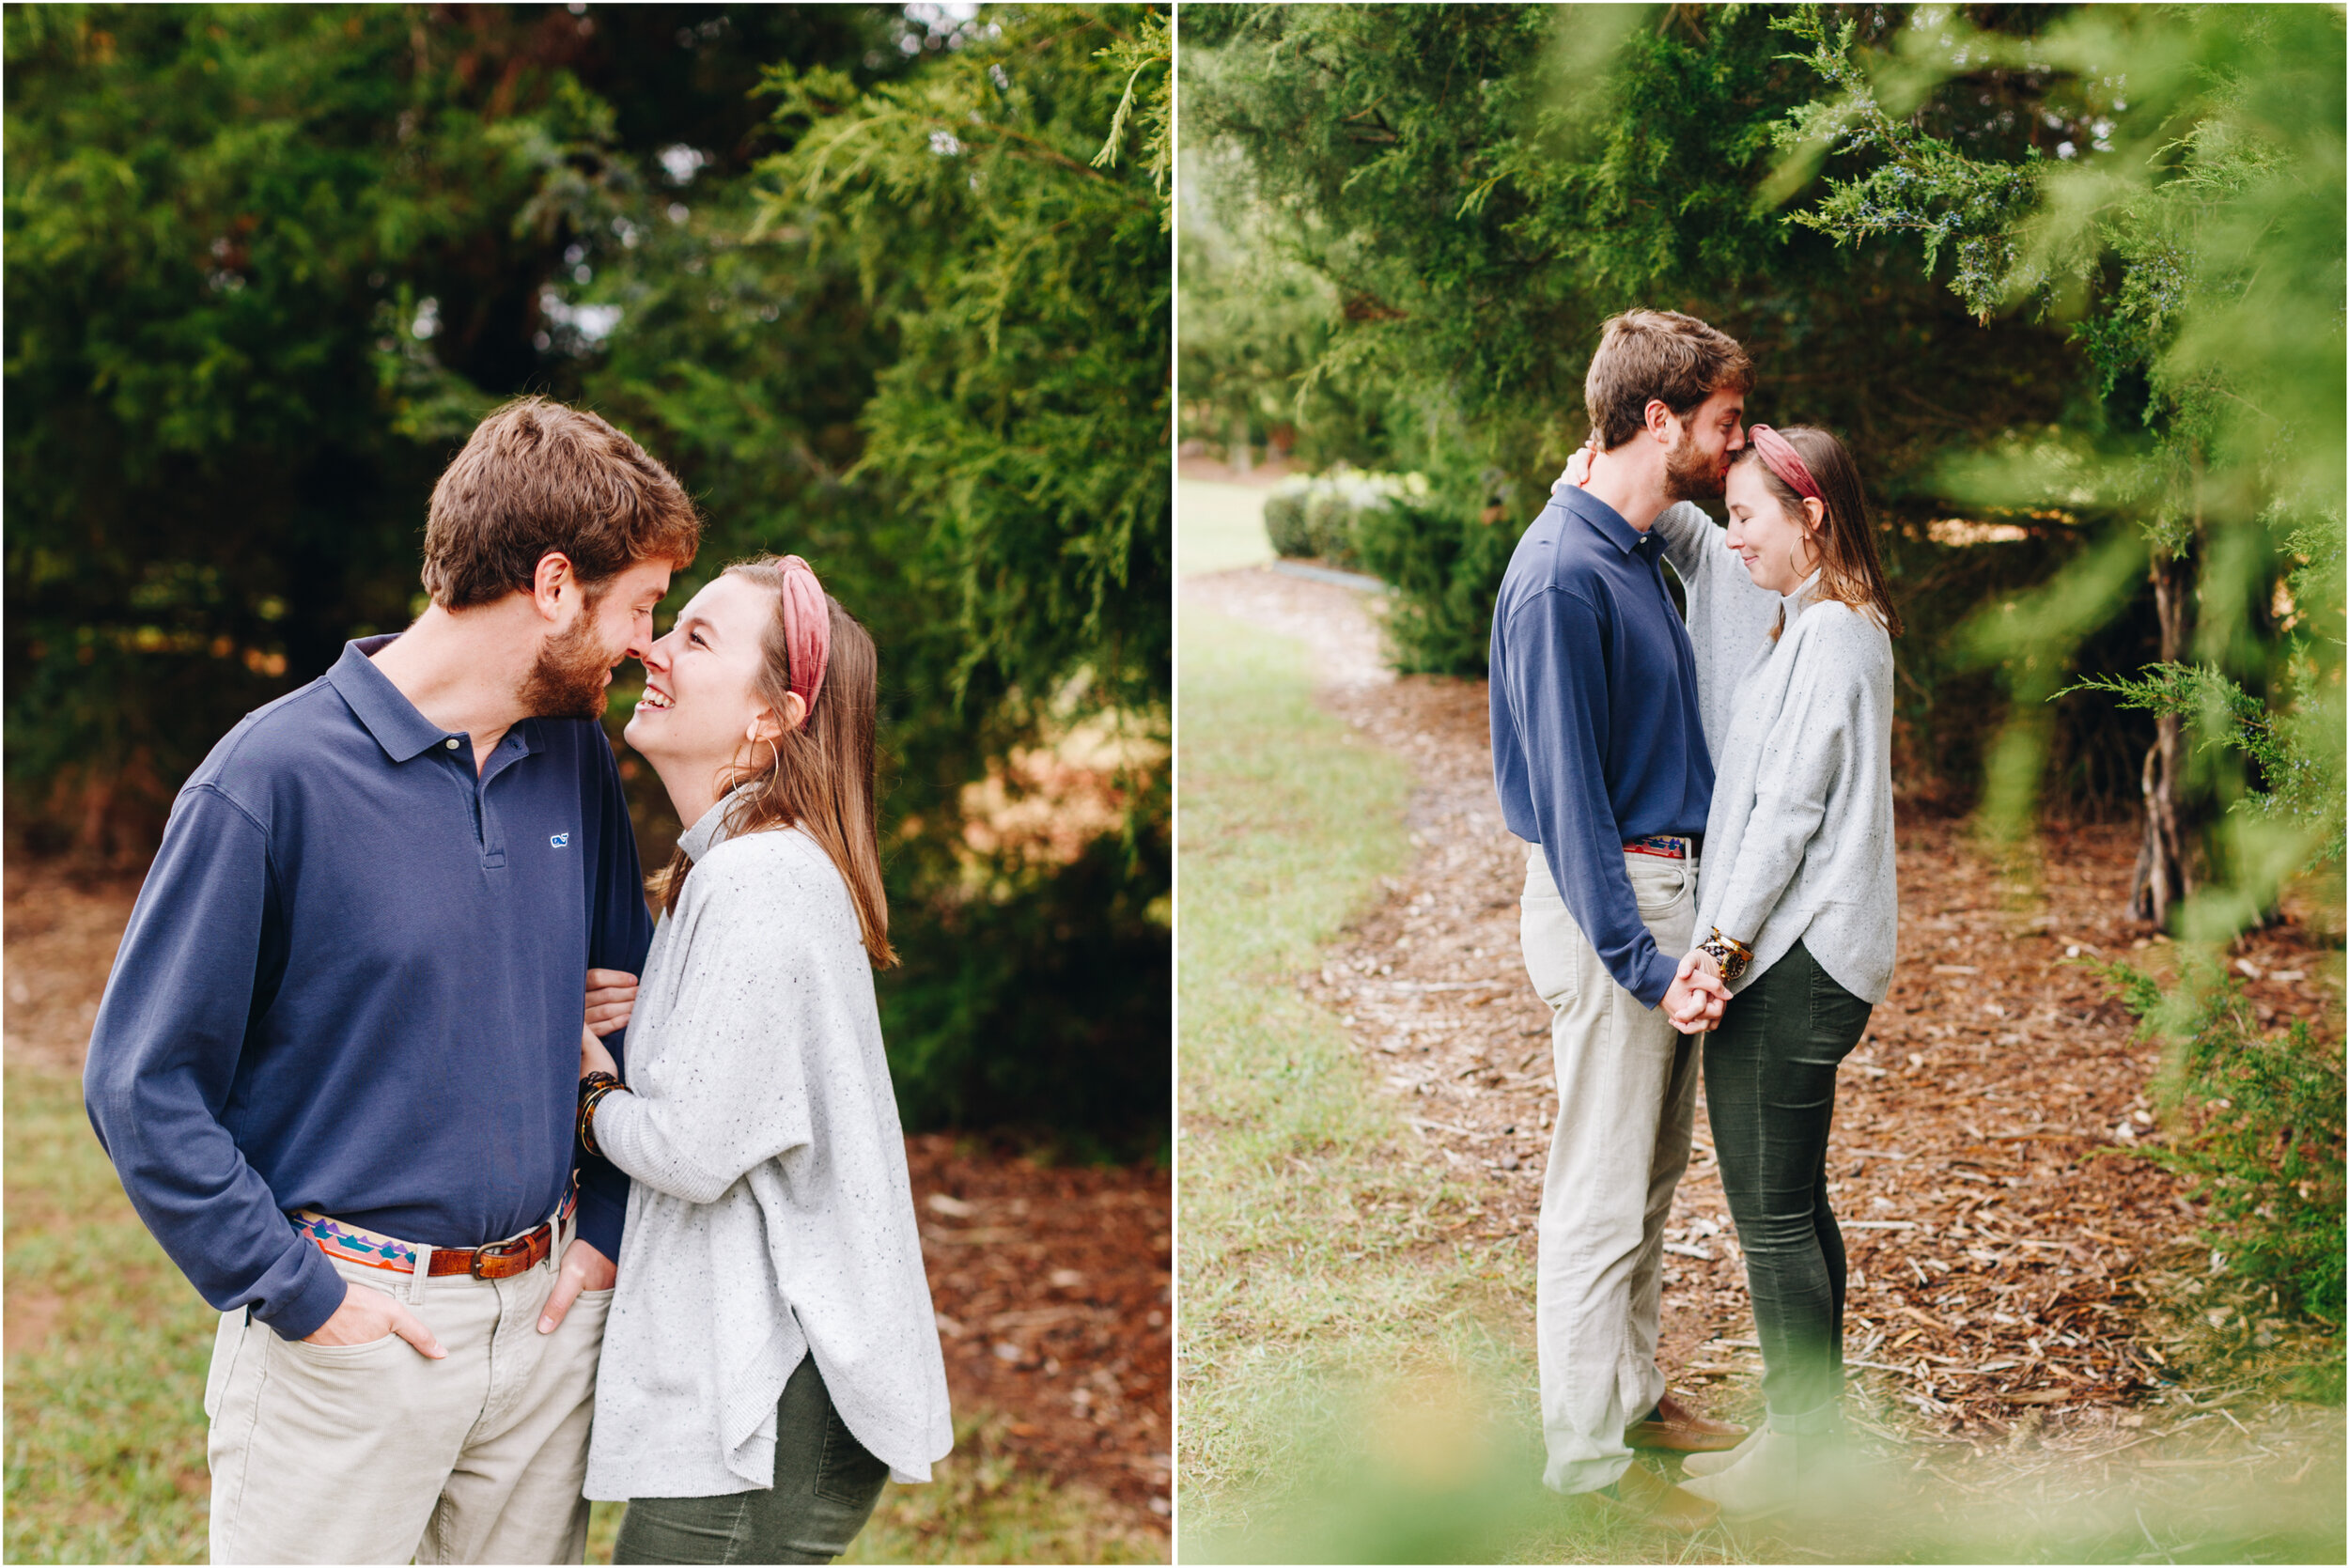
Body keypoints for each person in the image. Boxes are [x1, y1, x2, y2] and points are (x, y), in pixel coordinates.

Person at [82, 397, 697, 1565]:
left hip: (545, 1330)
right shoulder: (266, 781)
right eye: (642, 608)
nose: (649, 646)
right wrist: (302, 1296)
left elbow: (638, 1002)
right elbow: (139, 1084)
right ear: (556, 585)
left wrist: (604, 1231)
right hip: (351, 1337)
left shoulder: (570, 759)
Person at [575, 554, 953, 1565]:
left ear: (771, 716)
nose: (651, 649)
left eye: (694, 638)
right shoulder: (739, 867)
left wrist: (588, 1084)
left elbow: (694, 1147)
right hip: (768, 1380)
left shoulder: (761, 878)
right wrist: (660, 1012)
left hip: (779, 1389)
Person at [1488, 309, 1758, 1531]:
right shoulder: (1560, 576)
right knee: (1597, 1192)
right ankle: (1585, 1466)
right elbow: (1568, 807)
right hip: (1618, 905)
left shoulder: (1633, 541)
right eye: (1723, 424)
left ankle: (1637, 1399)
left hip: (1668, 892)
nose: (1735, 444)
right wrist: (1644, 961)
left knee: (1647, 1179)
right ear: (1662, 421)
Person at [1662, 426, 1901, 1520]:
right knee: (1792, 1201)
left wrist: (1718, 950)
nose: (1734, 533)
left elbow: (1789, 814)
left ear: (1810, 516)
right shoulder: (1817, 626)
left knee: (1767, 1213)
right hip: (1800, 953)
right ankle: (1808, 1437)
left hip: (1796, 960)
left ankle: (1803, 1459)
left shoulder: (1835, 639)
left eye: (1748, 514)